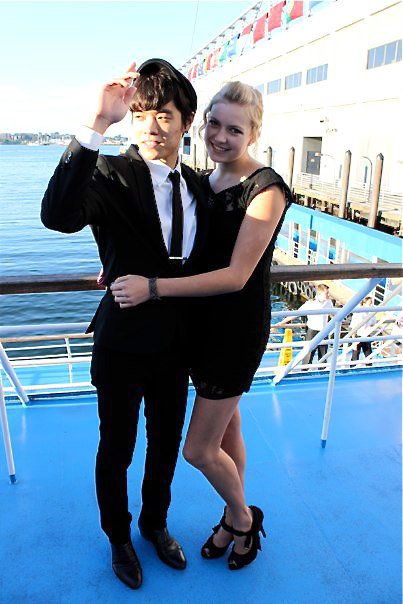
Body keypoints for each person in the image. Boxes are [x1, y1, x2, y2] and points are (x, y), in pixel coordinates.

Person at [109, 81, 293, 570]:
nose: (221, 137)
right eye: (214, 124)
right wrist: (121, 265)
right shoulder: (202, 182)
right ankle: (232, 513)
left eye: (235, 130)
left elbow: (236, 276)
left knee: (197, 449)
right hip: (197, 328)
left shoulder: (265, 189)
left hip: (234, 332)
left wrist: (153, 287)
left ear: (254, 133)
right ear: (202, 122)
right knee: (229, 428)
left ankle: (244, 519)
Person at [41, 59, 210, 590]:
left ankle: (155, 524)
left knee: (165, 445)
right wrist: (98, 122)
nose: (151, 127)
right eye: (140, 116)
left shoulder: (200, 186)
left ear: (186, 121)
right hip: (122, 341)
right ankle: (118, 536)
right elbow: (58, 215)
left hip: (177, 344)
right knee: (116, 447)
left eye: (163, 115)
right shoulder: (110, 174)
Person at [276, 283, 333, 366]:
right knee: (308, 355)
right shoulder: (310, 304)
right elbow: (296, 313)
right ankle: (304, 370)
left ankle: (322, 370)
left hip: (324, 331)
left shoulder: (328, 302)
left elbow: (333, 313)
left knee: (323, 356)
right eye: (326, 293)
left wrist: (340, 320)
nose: (328, 295)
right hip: (312, 331)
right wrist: (282, 322)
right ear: (319, 294)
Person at [349, 296, 376, 365]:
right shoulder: (358, 313)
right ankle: (353, 368)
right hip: (358, 335)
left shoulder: (372, 313)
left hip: (367, 335)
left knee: (368, 354)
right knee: (355, 354)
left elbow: (373, 324)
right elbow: (353, 327)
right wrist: (354, 339)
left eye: (372, 303)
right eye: (369, 303)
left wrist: (370, 330)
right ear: (364, 304)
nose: (371, 305)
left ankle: (369, 368)